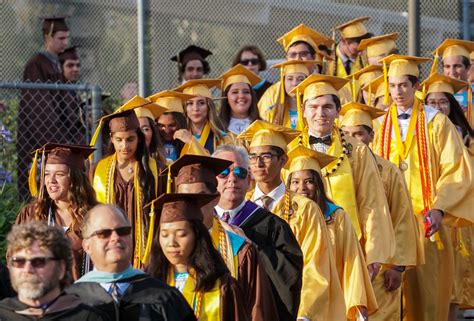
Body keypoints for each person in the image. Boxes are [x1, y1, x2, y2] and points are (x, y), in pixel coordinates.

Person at [374, 54, 474, 321]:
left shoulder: (436, 122)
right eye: (392, 85)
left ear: (416, 86)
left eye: (403, 85)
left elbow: (455, 169)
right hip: (390, 225)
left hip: (426, 224)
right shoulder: (379, 124)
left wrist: (440, 209)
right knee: (389, 300)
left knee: (427, 300)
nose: (397, 92)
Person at [289, 74, 395, 283]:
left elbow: (372, 202)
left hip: (348, 244)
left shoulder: (358, 151)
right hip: (300, 243)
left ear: (338, 111)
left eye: (328, 107)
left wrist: (373, 250)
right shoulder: (290, 150)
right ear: (303, 110)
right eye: (314, 107)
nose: (321, 113)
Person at [238, 120, 346, 321]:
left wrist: (304, 312)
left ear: (283, 160)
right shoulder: (241, 205)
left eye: (266, 156)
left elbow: (316, 263)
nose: (258, 163)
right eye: (253, 157)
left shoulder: (305, 208)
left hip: (289, 305)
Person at [165, 154, 279, 321]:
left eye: (201, 197)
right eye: (184, 198)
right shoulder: (164, 251)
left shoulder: (240, 251)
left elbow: (257, 312)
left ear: (215, 199)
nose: (192, 205)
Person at [340, 102, 424, 321]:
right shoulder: (336, 168)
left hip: (380, 265)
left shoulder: (388, 171)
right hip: (346, 260)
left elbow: (402, 218)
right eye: (346, 133)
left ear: (371, 136)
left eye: (358, 133)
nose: (353, 139)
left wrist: (397, 266)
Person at [212, 144, 304, 321]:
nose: (232, 179)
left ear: (249, 181)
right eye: (223, 172)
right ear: (212, 179)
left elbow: (289, 278)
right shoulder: (201, 223)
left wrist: (253, 248)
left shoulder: (273, 225)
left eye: (239, 172)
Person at [285, 145, 377, 320]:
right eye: (295, 182)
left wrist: (357, 303)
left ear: (318, 184)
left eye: (309, 181)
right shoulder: (282, 217)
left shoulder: (336, 217)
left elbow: (352, 261)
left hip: (333, 299)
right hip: (294, 299)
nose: (302, 188)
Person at [67, 204, 196, 321]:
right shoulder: (70, 302)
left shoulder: (165, 297)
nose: (116, 238)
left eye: (122, 231)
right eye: (104, 233)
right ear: (87, 246)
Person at [147, 193, 249, 320]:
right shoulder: (148, 284)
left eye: (181, 234)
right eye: (165, 235)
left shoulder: (224, 287)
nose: (171, 243)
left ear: (197, 236)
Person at [422, 73, 474, 318]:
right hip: (431, 209)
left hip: (455, 209)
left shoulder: (466, 133)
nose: (437, 106)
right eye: (431, 101)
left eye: (442, 101)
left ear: (452, 104)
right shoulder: (424, 132)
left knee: (454, 271)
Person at [91, 96, 159, 268]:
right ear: (111, 139)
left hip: (145, 251)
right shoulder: (99, 170)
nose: (124, 146)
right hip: (111, 244)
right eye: (119, 140)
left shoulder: (155, 170)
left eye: (130, 139)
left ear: (139, 139)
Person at [17, 143, 97, 280]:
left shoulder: (95, 216)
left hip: (85, 295)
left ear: (75, 179)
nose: (51, 181)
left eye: (59, 174)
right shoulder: (32, 214)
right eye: (47, 174)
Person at [0, 221, 107, 320]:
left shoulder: (88, 317)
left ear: (61, 268)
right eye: (19, 261)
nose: (28, 269)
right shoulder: (3, 314)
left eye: (38, 261)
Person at [18, 16, 71, 201]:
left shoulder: (56, 63)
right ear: (48, 37)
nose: (66, 42)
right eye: (61, 38)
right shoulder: (36, 65)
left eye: (67, 38)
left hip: (58, 135)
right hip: (39, 140)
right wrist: (59, 142)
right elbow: (39, 109)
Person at [174, 79, 234, 154]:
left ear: (209, 106)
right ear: (185, 108)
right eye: (190, 103)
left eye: (201, 103)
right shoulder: (179, 136)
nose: (195, 108)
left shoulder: (222, 138)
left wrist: (192, 142)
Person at [259, 60, 323, 130]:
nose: (295, 83)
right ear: (283, 82)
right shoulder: (271, 113)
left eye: (300, 79)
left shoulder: (315, 112)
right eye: (290, 79)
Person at [148, 90, 207, 163]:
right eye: (161, 125)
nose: (166, 130)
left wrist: (191, 142)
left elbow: (205, 162)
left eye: (172, 125)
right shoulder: (150, 144)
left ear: (180, 124)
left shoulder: (189, 142)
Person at [433, 39, 474, 127]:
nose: (452, 72)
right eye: (447, 66)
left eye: (457, 66)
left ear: (468, 68)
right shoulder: (435, 94)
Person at [218, 64, 261, 134]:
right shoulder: (216, 128)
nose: (241, 96)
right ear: (226, 98)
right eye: (235, 92)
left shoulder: (262, 126)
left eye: (246, 92)